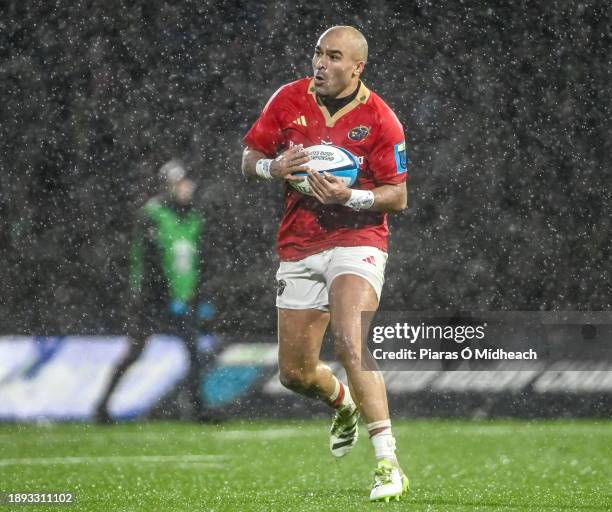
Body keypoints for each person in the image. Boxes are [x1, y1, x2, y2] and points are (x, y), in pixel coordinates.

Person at [241, 26, 409, 502]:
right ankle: (342, 402)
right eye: (318, 53)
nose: (321, 63)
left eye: (334, 57)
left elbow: (397, 196)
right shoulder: (289, 99)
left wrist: (350, 196)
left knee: (350, 338)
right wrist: (269, 168)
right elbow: (249, 156)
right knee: (294, 373)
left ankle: (388, 464)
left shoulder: (380, 120)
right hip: (300, 244)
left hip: (358, 239)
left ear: (357, 67)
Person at [95, 160, 216, 423]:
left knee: (193, 351)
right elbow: (150, 260)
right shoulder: (153, 213)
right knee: (136, 350)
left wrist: (198, 294)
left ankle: (198, 409)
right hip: (152, 298)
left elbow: (199, 260)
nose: (187, 188)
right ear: (169, 186)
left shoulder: (194, 215)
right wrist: (163, 295)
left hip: (182, 296)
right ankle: (102, 406)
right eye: (181, 183)